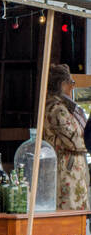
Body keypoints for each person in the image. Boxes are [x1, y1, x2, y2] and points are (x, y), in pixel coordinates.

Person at [43, 64, 90, 209]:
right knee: (68, 214)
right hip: (66, 172)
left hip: (72, 171)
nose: (72, 87)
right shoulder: (57, 109)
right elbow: (75, 142)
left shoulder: (65, 108)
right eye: (71, 83)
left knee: (76, 217)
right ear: (62, 84)